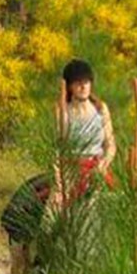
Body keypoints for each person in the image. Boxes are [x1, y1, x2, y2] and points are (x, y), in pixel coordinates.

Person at [53, 59, 117, 206]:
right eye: (78, 83)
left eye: (86, 82)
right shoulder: (63, 110)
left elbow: (110, 144)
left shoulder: (101, 108)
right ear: (70, 87)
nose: (83, 86)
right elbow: (58, 144)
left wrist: (103, 163)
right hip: (71, 169)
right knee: (54, 208)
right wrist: (59, 181)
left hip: (97, 169)